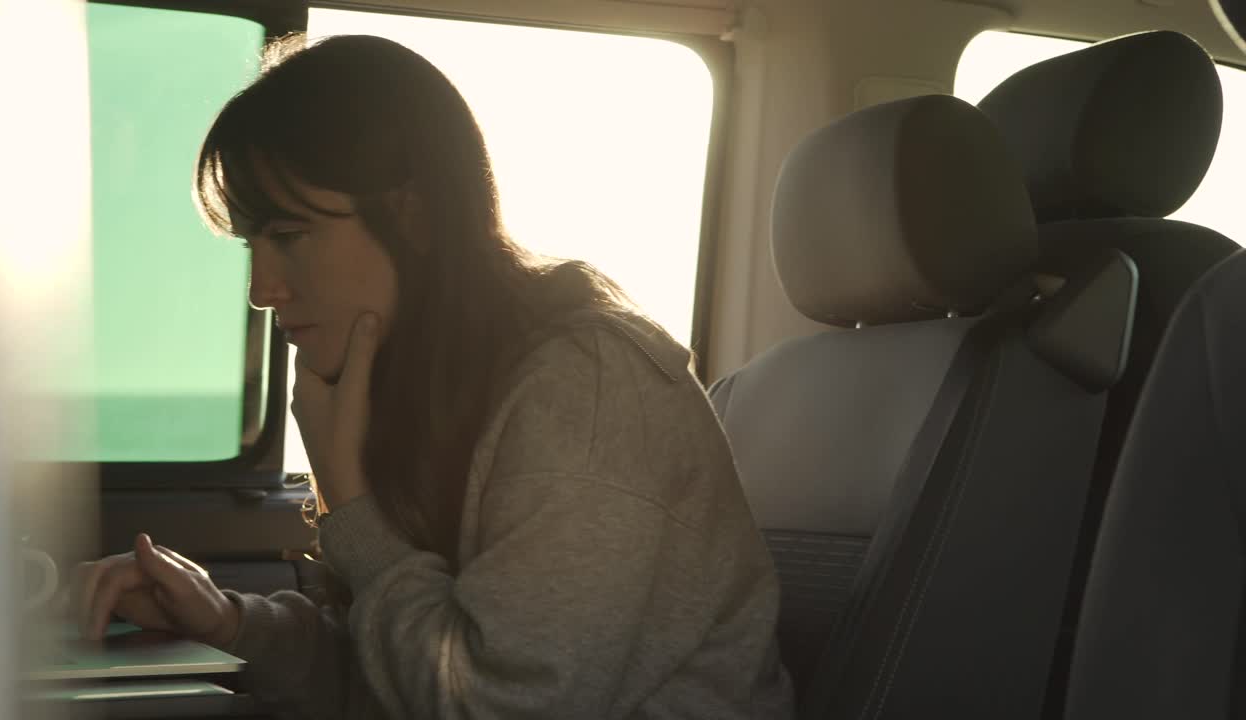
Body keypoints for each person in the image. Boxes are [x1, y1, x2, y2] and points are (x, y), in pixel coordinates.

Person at [72, 33, 794, 720]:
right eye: (253, 245)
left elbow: (485, 705)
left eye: (289, 237)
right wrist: (231, 623)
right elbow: (397, 679)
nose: (263, 289)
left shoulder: (588, 392)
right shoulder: (427, 387)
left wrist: (351, 505)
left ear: (412, 214)